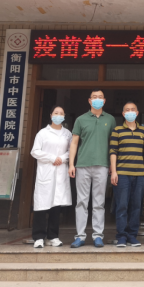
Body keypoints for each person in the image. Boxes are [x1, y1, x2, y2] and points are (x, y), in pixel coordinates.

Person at [69, 89, 115, 248]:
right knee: (81, 202)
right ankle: (80, 236)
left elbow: (113, 144)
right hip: (82, 165)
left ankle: (98, 236)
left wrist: (112, 165)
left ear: (104, 100)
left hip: (102, 165)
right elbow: (74, 143)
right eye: (94, 97)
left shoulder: (110, 119)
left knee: (99, 202)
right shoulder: (81, 119)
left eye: (100, 97)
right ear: (89, 101)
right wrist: (71, 164)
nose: (97, 99)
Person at [30, 106, 72, 249]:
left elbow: (71, 151)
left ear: (64, 116)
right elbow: (35, 151)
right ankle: (38, 237)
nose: (58, 115)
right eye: (56, 113)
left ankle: (53, 236)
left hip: (60, 171)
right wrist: (52, 158)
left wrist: (62, 158)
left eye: (61, 113)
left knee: (56, 205)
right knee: (41, 205)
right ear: (51, 115)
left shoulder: (67, 133)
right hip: (46, 171)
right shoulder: (42, 133)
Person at [110, 101, 144, 248]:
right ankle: (121, 236)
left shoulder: (143, 131)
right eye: (127, 110)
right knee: (122, 206)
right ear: (123, 113)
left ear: (137, 113)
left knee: (136, 206)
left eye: (133, 110)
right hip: (122, 174)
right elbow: (113, 151)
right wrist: (114, 171)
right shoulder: (117, 130)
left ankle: (132, 235)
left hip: (139, 174)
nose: (130, 112)